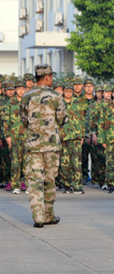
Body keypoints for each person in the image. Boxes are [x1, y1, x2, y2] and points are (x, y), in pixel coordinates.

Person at [20, 64, 67, 228]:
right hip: (51, 147)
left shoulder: (26, 96)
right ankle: (48, 214)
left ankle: (38, 217)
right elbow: (62, 120)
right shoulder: (55, 96)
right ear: (47, 77)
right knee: (49, 181)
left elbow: (24, 121)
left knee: (34, 181)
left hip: (33, 146)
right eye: (51, 76)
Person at [58, 83, 86, 195]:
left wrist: (82, 135)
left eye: (70, 91)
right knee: (65, 162)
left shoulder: (77, 103)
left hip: (76, 136)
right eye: (66, 91)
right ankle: (66, 185)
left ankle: (77, 186)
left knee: (77, 163)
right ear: (63, 91)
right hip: (63, 136)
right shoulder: (59, 103)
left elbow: (82, 119)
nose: (68, 93)